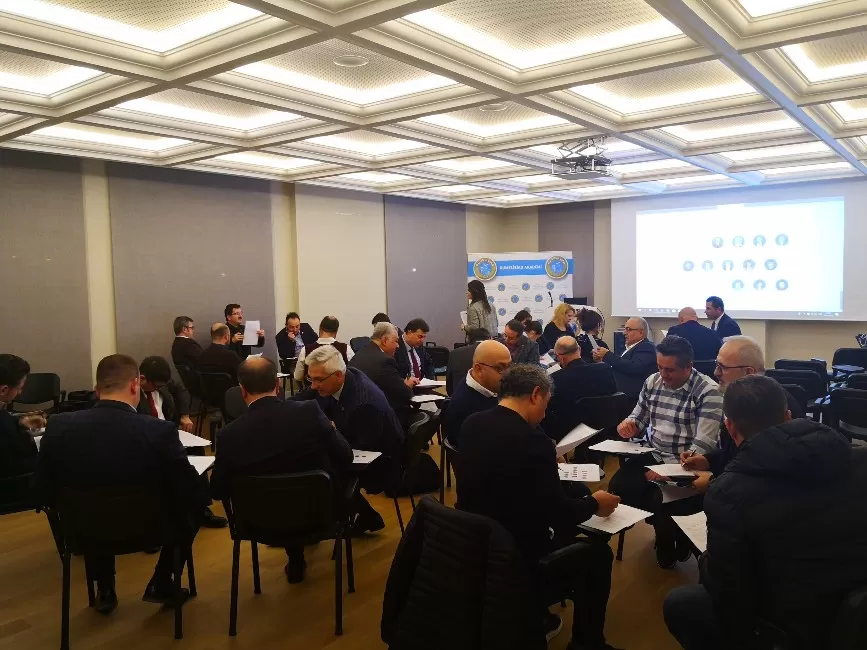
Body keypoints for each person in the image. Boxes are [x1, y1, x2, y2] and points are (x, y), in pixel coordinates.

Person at [664, 375, 867, 650]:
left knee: (680, 603)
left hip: (795, 626)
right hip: (856, 614)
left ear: (729, 426)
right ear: (788, 415)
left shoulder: (728, 492)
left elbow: (729, 592)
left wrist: (706, 562)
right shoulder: (860, 459)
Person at [456, 365, 622, 650]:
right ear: (535, 394)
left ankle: (535, 617)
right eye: (546, 403)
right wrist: (595, 503)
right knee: (598, 555)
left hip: (474, 543)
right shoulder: (534, 442)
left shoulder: (472, 423)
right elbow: (559, 515)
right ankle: (587, 644)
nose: (545, 413)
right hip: (517, 556)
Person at [36, 354, 207, 615]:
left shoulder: (58, 426)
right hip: (152, 531)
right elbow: (189, 488)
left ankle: (104, 588)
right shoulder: (159, 431)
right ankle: (162, 580)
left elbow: (43, 489)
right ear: (135, 384)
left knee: (94, 500)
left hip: (82, 533)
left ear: (97, 389)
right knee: (195, 505)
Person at [211, 357, 353, 583]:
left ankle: (295, 558)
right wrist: (332, 430)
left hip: (258, 522)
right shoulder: (310, 412)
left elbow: (218, 490)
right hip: (320, 516)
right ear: (277, 385)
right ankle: (297, 555)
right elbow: (345, 456)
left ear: (242, 390)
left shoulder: (228, 436)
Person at [608, 335, 723, 568]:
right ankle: (668, 530)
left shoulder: (708, 391)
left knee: (660, 499)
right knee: (619, 486)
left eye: (669, 370)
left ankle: (670, 539)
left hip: (687, 462)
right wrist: (629, 425)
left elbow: (704, 444)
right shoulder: (652, 381)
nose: (663, 374)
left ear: (688, 367)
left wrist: (670, 471)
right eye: (659, 367)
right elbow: (638, 417)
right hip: (654, 453)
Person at [295, 345, 404, 532]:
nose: (313, 385)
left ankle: (321, 524)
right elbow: (304, 397)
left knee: (312, 466)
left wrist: (331, 432)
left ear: (338, 375)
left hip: (381, 460)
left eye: (318, 380)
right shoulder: (344, 376)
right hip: (358, 444)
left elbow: (361, 449)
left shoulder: (364, 403)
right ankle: (361, 515)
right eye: (310, 379)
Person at [680, 335, 806, 492]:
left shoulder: (773, 406)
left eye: (723, 367)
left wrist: (713, 483)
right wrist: (708, 460)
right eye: (716, 365)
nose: (716, 372)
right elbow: (736, 454)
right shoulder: (745, 399)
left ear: (748, 372)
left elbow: (764, 475)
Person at [137, 356, 227, 529]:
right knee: (180, 464)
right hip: (149, 442)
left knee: (197, 452)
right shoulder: (134, 395)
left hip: (169, 435)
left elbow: (181, 390)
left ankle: (201, 509)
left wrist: (185, 415)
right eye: (156, 386)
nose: (159, 389)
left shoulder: (162, 382)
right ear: (142, 379)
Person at [542, 337, 617, 442]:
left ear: (560, 357)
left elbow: (549, 409)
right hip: (604, 428)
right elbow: (613, 396)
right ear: (579, 350)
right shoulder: (605, 369)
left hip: (569, 433)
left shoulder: (555, 378)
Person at [445, 340, 510, 448]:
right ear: (478, 369)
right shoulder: (469, 409)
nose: (508, 374)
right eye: (500, 368)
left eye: (509, 366)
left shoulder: (475, 385)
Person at [350, 322, 416, 423]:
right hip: (380, 419)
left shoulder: (358, 355)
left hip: (355, 415)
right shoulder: (385, 361)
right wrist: (408, 385)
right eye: (396, 341)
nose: (398, 346)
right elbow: (405, 394)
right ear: (385, 340)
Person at [0, 355, 43, 501]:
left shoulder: (3, 411)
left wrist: (20, 421)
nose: (20, 393)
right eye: (19, 388)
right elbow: (10, 467)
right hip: (10, 489)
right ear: (3, 390)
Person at [592, 317, 657, 400]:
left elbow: (635, 367)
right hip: (617, 394)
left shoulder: (646, 347)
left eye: (628, 329)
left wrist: (607, 355)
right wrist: (601, 360)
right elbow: (620, 366)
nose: (624, 333)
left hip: (630, 398)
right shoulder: (631, 348)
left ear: (641, 332)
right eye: (625, 329)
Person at [293, 316, 352, 383]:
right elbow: (353, 375)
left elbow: (298, 377)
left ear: (320, 328)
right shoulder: (346, 349)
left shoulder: (305, 350)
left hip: (313, 388)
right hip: (338, 389)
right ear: (336, 330)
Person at [446, 328, 491, 396]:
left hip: (458, 398)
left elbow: (449, 387)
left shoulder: (454, 353)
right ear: (490, 339)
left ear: (468, 340)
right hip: (487, 400)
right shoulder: (494, 353)